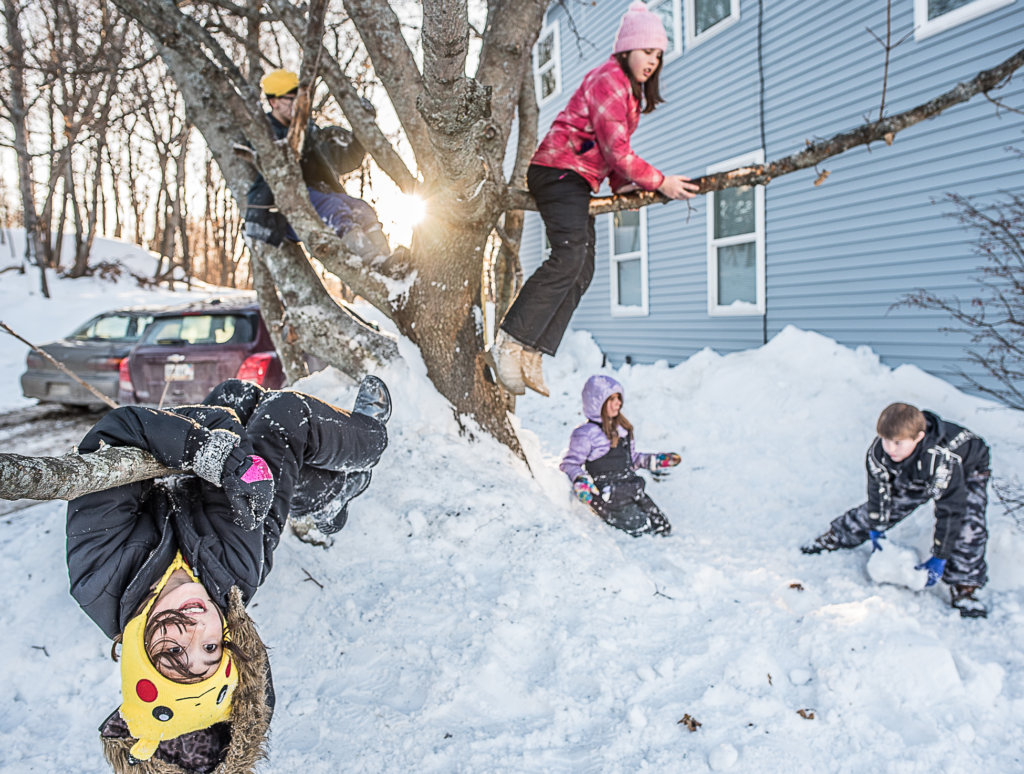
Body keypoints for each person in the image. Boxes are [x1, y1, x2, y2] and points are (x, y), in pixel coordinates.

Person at [67, 376, 391, 772]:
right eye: (210, 649)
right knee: (285, 417)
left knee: (233, 398)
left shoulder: (99, 573)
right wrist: (213, 452)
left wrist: (203, 450)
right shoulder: (230, 578)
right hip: (247, 526)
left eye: (173, 652)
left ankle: (327, 500)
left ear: (139, 658)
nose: (194, 630)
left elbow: (111, 438)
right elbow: (230, 443)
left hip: (199, 506)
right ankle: (371, 440)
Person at [486, 2, 699, 397]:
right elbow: (617, 152)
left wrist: (624, 188)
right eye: (646, 51)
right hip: (558, 170)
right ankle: (509, 342)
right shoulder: (609, 80)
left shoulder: (629, 95)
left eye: (658, 55)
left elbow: (608, 152)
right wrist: (661, 181)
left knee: (583, 269)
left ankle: (532, 352)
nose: (653, 61)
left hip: (580, 178)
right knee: (567, 256)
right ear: (626, 49)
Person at [801, 402, 991, 619]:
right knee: (893, 505)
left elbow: (950, 509)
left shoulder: (940, 460)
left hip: (969, 469)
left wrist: (940, 555)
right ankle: (839, 534)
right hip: (917, 467)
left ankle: (965, 586)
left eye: (898, 443)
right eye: (886, 440)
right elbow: (879, 493)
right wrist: (877, 527)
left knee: (967, 526)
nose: (890, 448)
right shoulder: (880, 453)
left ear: (918, 437)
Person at [243, 68, 389, 254]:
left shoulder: (309, 132)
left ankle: (386, 262)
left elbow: (345, 160)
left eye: (299, 99)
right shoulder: (264, 134)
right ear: (274, 102)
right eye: (290, 99)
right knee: (335, 209)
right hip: (287, 208)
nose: (297, 105)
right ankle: (370, 258)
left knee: (362, 209)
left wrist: (362, 127)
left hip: (321, 197)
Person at [560, 374, 681, 537]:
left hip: (631, 487)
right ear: (597, 403)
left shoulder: (622, 429)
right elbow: (570, 464)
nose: (618, 403)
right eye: (612, 399)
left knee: (662, 526)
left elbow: (632, 459)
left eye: (619, 398)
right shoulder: (585, 434)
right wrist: (581, 481)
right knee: (642, 529)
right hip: (608, 496)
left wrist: (654, 461)